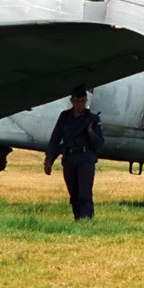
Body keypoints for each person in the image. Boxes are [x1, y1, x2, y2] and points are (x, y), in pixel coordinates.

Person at [44, 85, 103, 220]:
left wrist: (89, 130)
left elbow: (100, 143)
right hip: (69, 158)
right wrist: (49, 159)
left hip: (86, 158)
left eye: (83, 101)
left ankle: (87, 219)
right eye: (78, 101)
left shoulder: (92, 119)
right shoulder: (65, 117)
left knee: (85, 193)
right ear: (72, 101)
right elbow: (55, 138)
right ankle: (78, 218)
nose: (80, 104)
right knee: (74, 192)